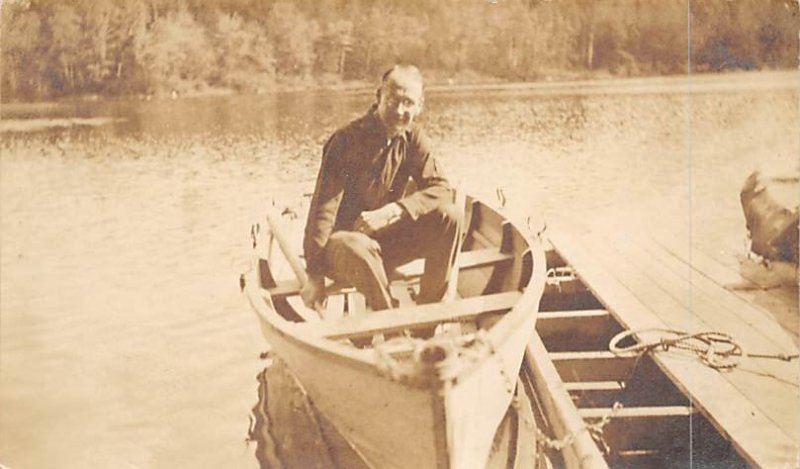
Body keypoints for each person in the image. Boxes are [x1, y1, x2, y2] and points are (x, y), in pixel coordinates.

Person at [301, 64, 461, 313]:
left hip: (384, 244)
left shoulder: (413, 138)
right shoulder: (345, 141)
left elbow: (441, 188)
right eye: (393, 100)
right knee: (356, 245)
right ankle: (390, 324)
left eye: (408, 103)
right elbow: (322, 211)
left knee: (450, 217)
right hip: (343, 250)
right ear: (378, 98)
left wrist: (393, 211)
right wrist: (314, 275)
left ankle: (427, 320)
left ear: (420, 105)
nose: (400, 111)